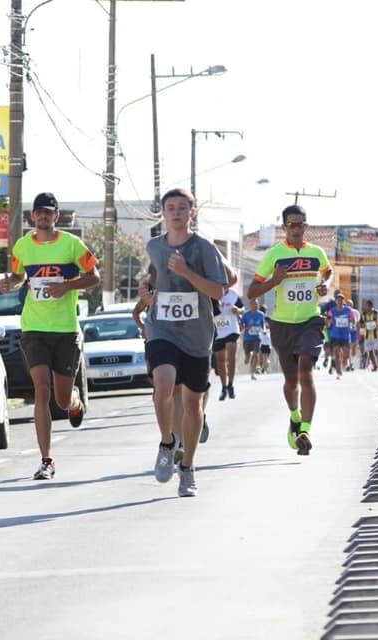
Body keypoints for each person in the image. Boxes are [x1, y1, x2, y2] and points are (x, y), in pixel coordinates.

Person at [0, 191, 96, 480]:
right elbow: (18, 277)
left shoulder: (72, 245)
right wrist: (10, 284)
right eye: (38, 212)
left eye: (48, 212)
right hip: (34, 327)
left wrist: (67, 287)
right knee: (41, 390)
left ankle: (75, 400)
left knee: (62, 401)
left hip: (65, 329)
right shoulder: (22, 246)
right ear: (32, 217)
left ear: (56, 216)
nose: (43, 216)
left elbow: (95, 277)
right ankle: (46, 460)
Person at [140, 188, 227, 497]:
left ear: (192, 213)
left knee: (192, 403)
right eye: (170, 208)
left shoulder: (204, 248)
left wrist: (187, 272)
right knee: (163, 385)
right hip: (162, 327)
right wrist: (147, 291)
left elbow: (218, 292)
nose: (176, 212)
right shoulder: (153, 245)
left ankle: (188, 467)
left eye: (182, 208)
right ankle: (167, 442)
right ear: (163, 213)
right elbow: (153, 278)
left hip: (197, 334)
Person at [247, 204, 332, 456]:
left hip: (310, 321)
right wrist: (275, 280)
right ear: (284, 227)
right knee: (290, 380)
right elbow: (252, 292)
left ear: (306, 226)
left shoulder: (316, 253)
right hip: (282, 324)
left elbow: (328, 271)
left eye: (301, 224)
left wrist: (325, 284)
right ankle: (295, 416)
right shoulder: (274, 255)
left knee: (306, 371)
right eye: (291, 225)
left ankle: (305, 429)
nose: (296, 229)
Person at [212, 288, 244, 399]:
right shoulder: (211, 291)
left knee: (231, 356)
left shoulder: (233, 294)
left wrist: (238, 311)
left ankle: (231, 384)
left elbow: (242, 308)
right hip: (218, 331)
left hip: (232, 329)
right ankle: (224, 387)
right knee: (220, 361)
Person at [325, 291, 354, 379]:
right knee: (336, 354)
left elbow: (352, 319)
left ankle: (343, 362)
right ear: (335, 301)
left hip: (345, 335)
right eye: (338, 300)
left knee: (346, 353)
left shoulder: (348, 310)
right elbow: (328, 319)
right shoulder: (332, 311)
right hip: (336, 335)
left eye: (341, 300)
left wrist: (352, 325)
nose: (339, 301)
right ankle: (338, 372)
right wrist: (328, 323)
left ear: (343, 301)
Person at [240, 298, 265, 380]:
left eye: (257, 304)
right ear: (250, 305)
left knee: (256, 354)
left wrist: (264, 330)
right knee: (248, 357)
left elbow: (263, 324)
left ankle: (253, 373)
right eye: (254, 304)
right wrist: (246, 327)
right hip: (247, 338)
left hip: (257, 338)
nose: (256, 306)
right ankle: (247, 356)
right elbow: (241, 325)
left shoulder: (261, 314)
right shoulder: (246, 315)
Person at [360, 299, 378, 372]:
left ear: (371, 306)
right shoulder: (364, 314)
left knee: (377, 350)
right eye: (366, 305)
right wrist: (363, 326)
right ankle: (375, 365)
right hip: (367, 335)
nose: (367, 307)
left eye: (368, 305)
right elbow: (361, 323)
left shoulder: (377, 313)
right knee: (370, 351)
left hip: (376, 334)